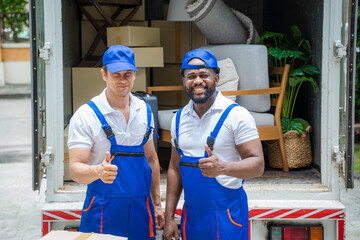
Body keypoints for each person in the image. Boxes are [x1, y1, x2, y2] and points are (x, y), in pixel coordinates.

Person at [163, 49, 264, 240]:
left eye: (204, 75)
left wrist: (223, 167)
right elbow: (174, 169)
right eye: (191, 76)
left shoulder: (236, 115)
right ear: (184, 81)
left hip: (227, 216)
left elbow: (258, 165)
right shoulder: (178, 119)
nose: (198, 81)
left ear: (216, 78)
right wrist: (169, 218)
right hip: (192, 217)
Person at [68, 45, 164, 239]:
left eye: (128, 74)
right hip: (103, 210)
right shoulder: (86, 115)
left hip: (141, 208)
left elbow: (152, 159)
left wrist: (156, 204)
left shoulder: (144, 111)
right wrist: (98, 171)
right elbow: (75, 169)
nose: (123, 80)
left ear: (135, 74)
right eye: (116, 74)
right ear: (104, 74)